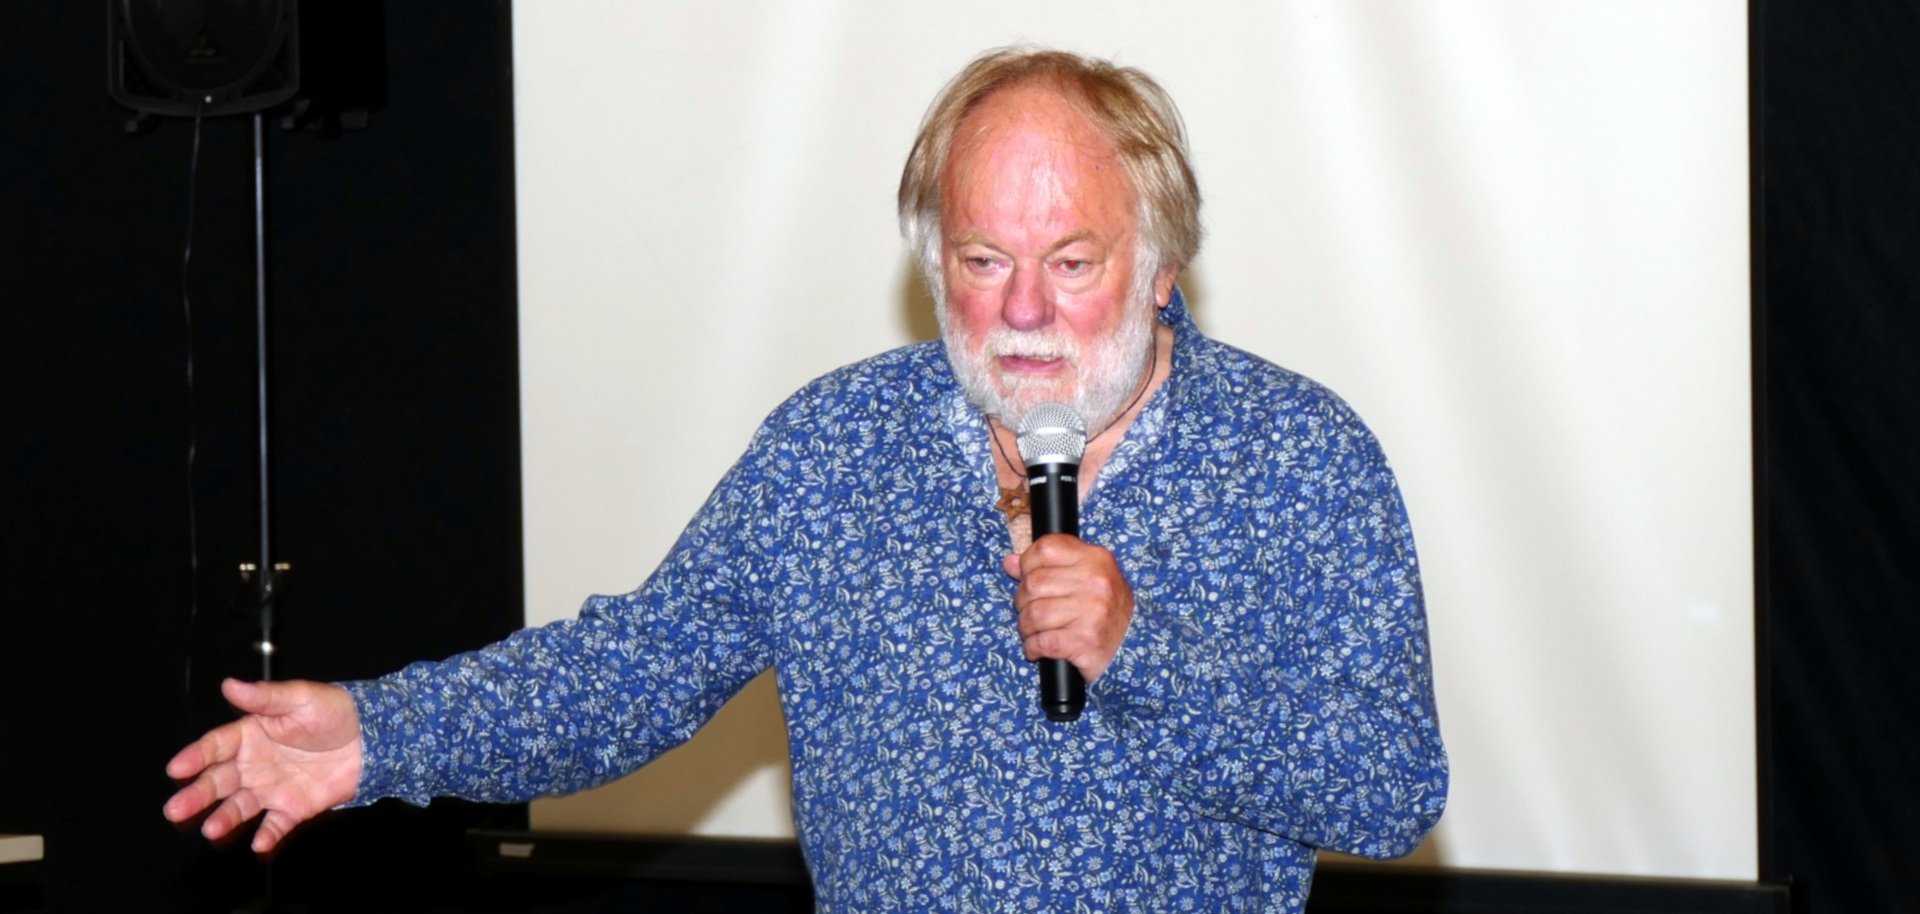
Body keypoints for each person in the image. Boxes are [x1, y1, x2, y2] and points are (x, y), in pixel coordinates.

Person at [165, 47, 1446, 911]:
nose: (1022, 311)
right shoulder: (835, 450)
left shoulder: (1299, 460)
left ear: (1163, 267)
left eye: (1072, 262)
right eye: (983, 260)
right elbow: (630, 670)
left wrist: (1140, 653)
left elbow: (1389, 791)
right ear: (932, 264)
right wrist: (385, 731)